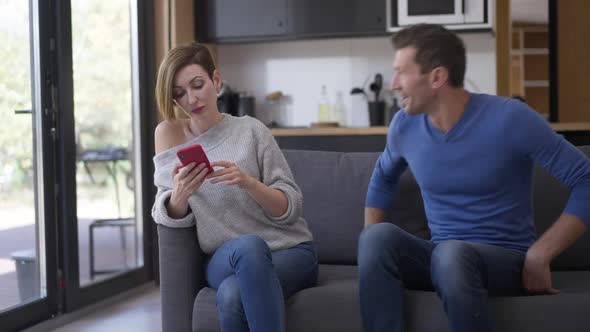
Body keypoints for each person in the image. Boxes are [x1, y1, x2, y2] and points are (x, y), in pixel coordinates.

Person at [357, 24, 590, 332]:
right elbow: (382, 181)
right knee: (375, 237)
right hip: (441, 256)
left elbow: (586, 179)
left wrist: (541, 253)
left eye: (402, 72)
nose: (394, 84)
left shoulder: (510, 118)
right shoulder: (404, 125)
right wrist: (373, 259)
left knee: (452, 254)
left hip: (504, 261)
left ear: (437, 77)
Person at [152, 42, 317, 332]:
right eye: (179, 93)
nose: (191, 99)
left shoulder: (251, 130)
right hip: (224, 257)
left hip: (288, 251)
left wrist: (249, 183)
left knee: (231, 295)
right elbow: (165, 210)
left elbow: (291, 207)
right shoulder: (169, 134)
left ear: (216, 81)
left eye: (197, 85)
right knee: (248, 247)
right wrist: (179, 196)